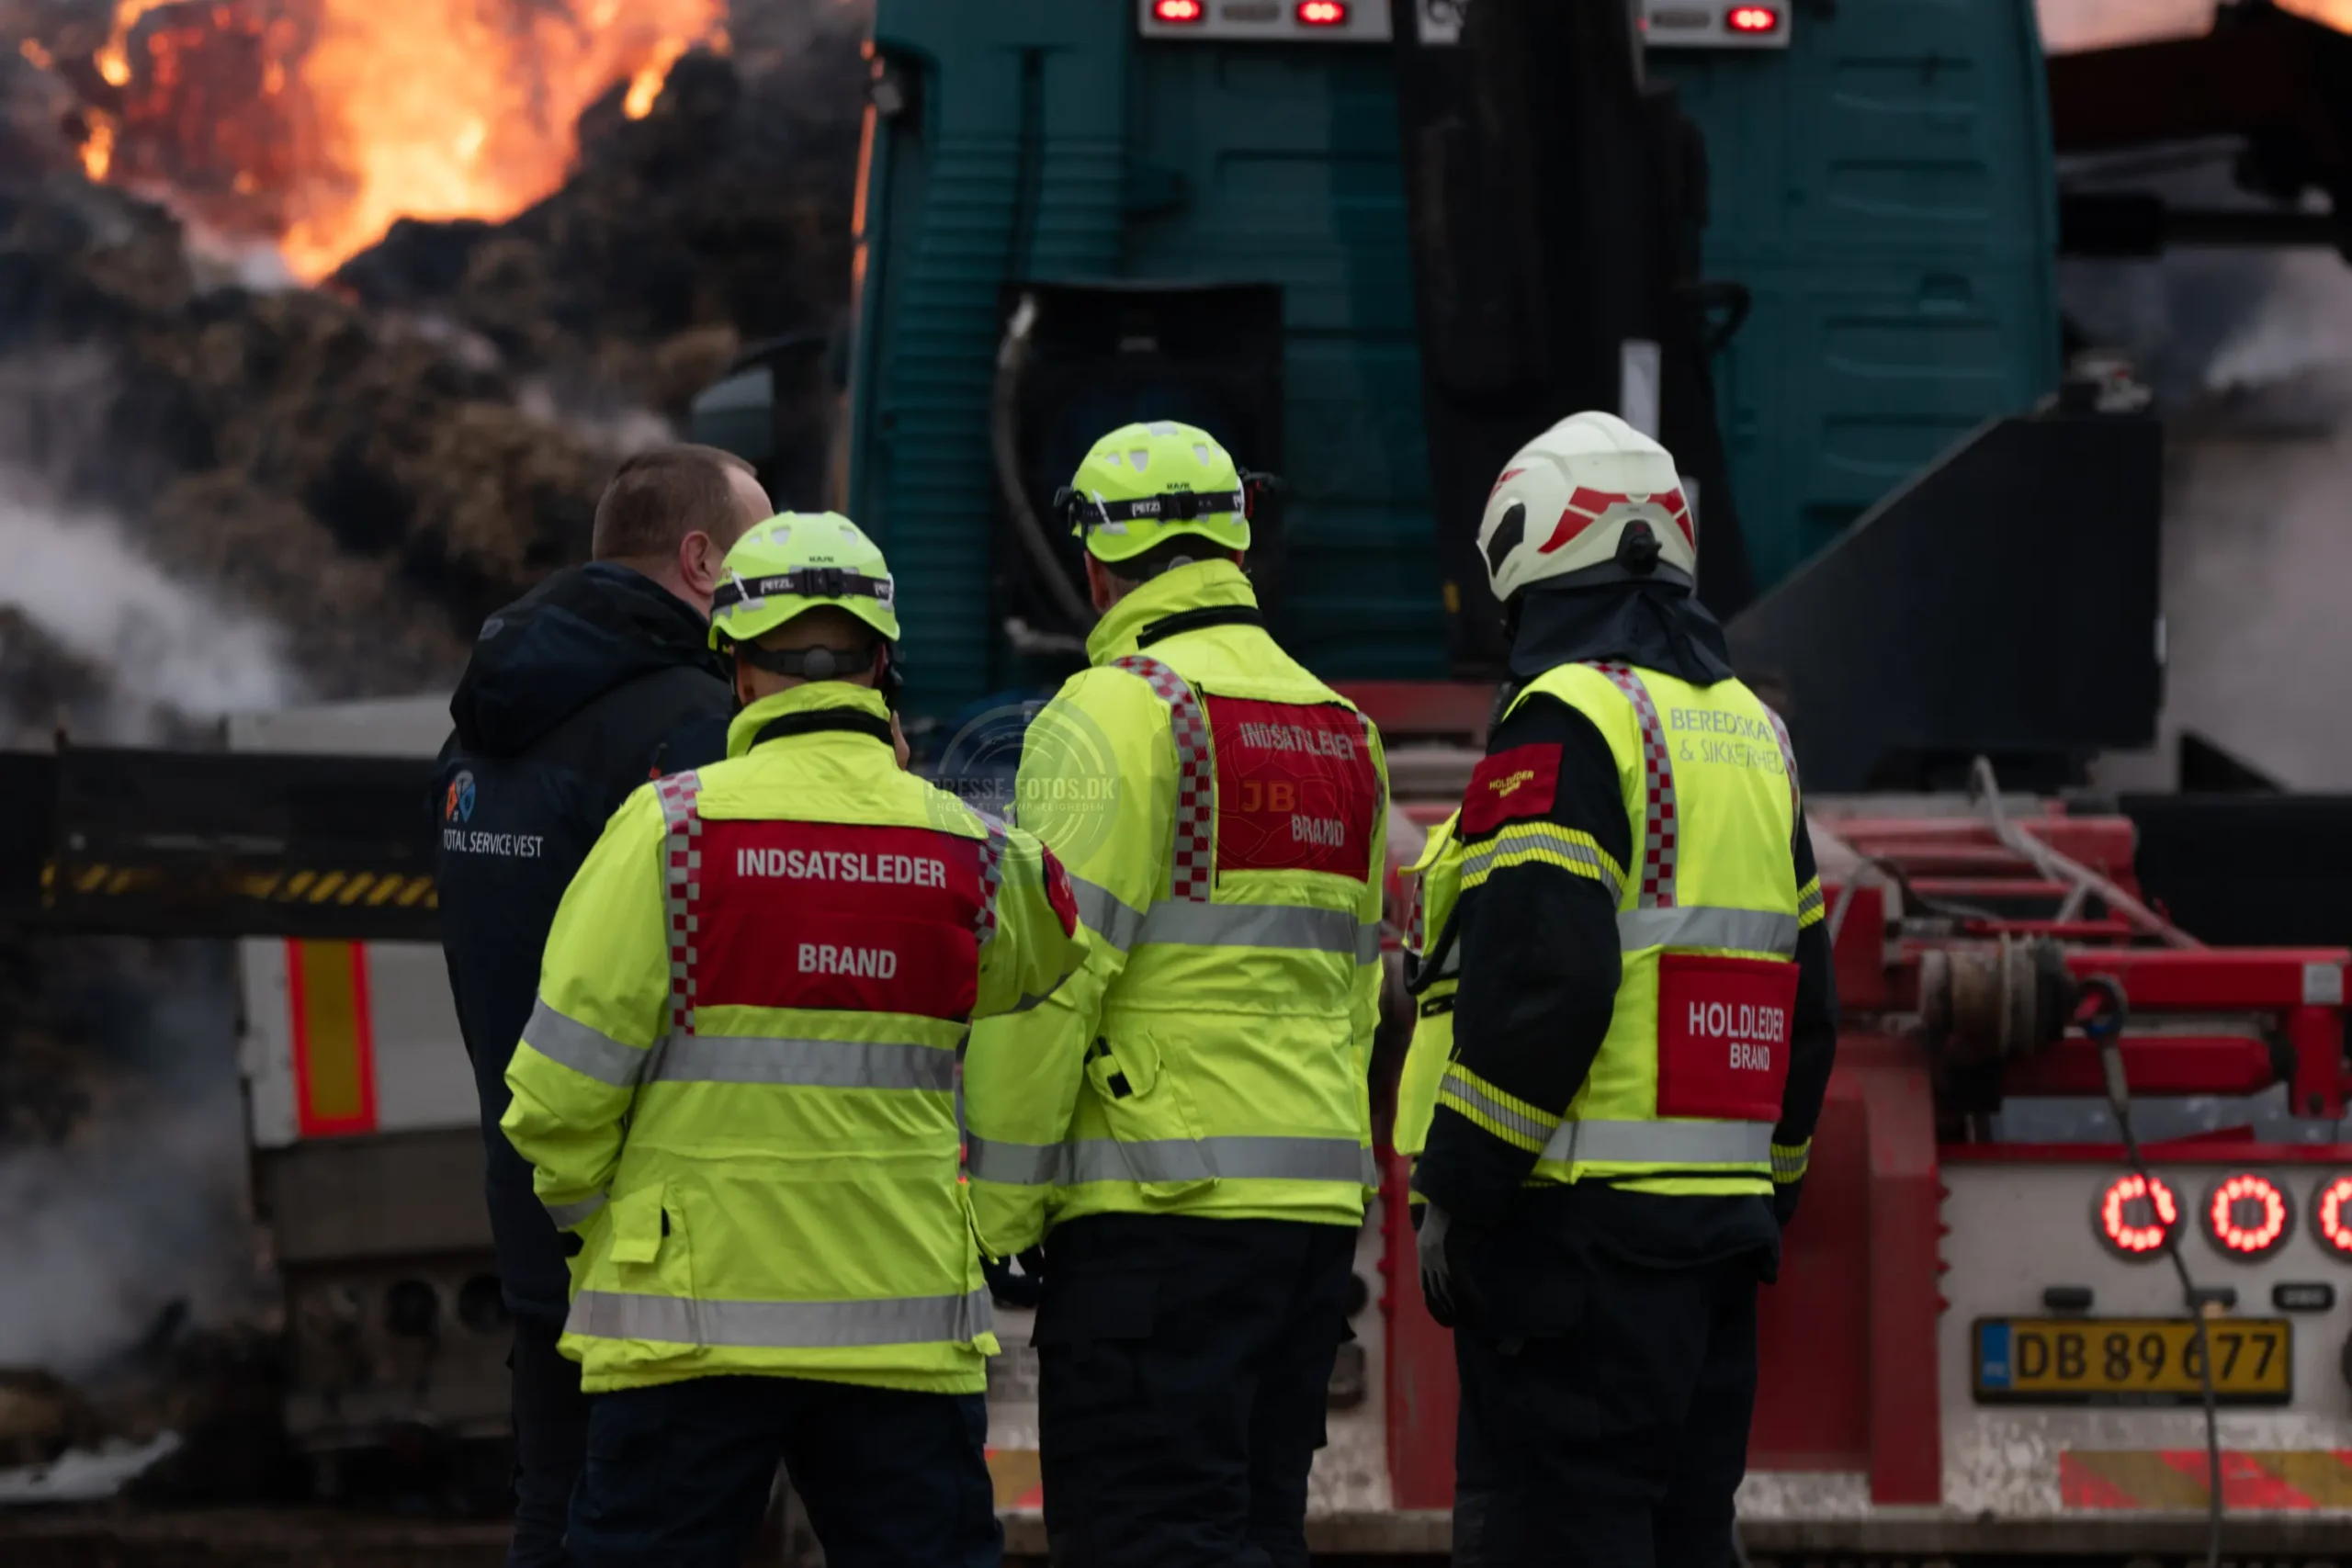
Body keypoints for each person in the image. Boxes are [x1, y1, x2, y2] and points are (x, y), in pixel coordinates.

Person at [502, 513, 1085, 1568]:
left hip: (686, 1325)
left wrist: (603, 1232)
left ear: (734, 666)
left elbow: (555, 1099)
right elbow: (1046, 958)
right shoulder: (971, 850)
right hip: (898, 1333)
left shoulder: (667, 833)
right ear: (882, 667)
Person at [1408, 412, 1838, 1568]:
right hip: (1716, 1250)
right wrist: (1767, 1189)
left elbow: (1545, 984)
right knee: (1688, 1535)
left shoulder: (1563, 721)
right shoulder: (1756, 736)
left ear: (1530, 555)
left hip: (1574, 1247)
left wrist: (1460, 1186)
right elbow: (1809, 1003)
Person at [964, 421, 1391, 1567]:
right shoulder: (1341, 732)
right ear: (1238, 548)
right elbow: (1357, 992)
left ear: (1096, 566)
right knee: (1257, 1532)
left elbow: (1048, 985)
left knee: (1146, 1536)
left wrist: (999, 1214)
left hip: (1155, 1225)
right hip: (1307, 1226)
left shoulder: (1109, 714)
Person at [432, 443, 770, 1567]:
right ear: (700, 560)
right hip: (665, 1238)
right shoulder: (690, 730)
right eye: (759, 546)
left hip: (532, 1200)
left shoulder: (481, 725)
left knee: (555, 1508)